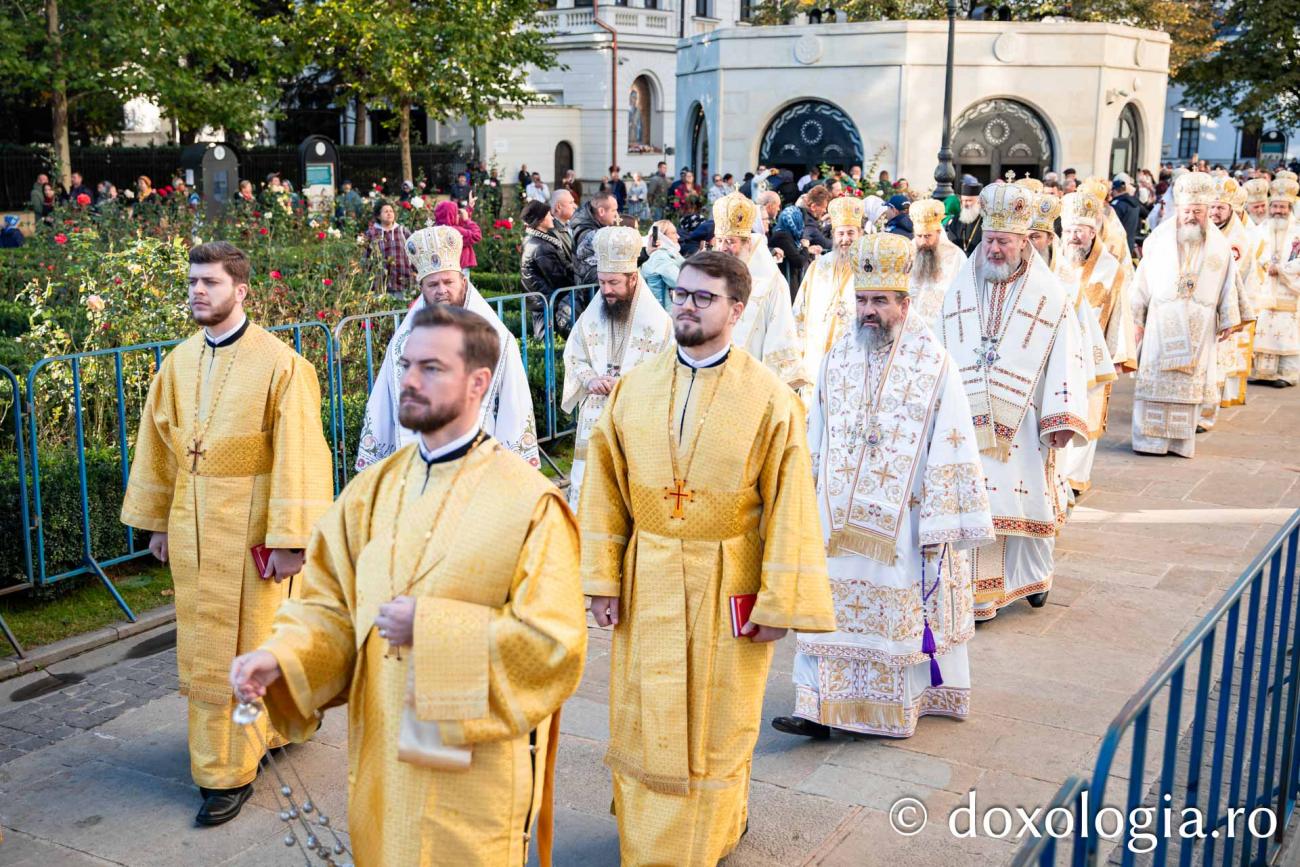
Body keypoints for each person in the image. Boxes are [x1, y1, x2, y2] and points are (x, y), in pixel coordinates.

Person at [230, 303, 586, 866]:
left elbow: (554, 644)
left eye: (432, 368)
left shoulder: (530, 503)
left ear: (479, 383)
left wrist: (433, 627)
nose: (411, 381)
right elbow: (327, 607)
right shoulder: (371, 492)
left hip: (476, 764)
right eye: (406, 365)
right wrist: (281, 658)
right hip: (385, 753)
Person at [578, 250, 837, 866]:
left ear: (738, 310)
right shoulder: (634, 389)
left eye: (704, 297)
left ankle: (714, 832)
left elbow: (791, 503)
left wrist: (780, 602)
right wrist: (600, 580)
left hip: (731, 577)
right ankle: (647, 835)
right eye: (681, 295)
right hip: (649, 573)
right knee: (647, 710)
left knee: (720, 716)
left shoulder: (770, 398)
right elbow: (605, 489)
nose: (687, 306)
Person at [120, 242, 333, 826]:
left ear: (240, 291)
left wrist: (292, 539)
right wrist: (158, 521)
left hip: (252, 532)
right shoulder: (178, 363)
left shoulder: (282, 364)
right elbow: (159, 445)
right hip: (191, 526)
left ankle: (227, 772)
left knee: (253, 640)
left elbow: (301, 454)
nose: (196, 291)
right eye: (192, 281)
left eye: (209, 283)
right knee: (205, 643)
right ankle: (238, 749)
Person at [772, 233, 994, 741]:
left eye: (879, 301)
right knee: (826, 607)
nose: (867, 311)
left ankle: (896, 705)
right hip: (836, 520)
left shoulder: (934, 362)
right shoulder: (836, 358)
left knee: (895, 613)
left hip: (904, 521)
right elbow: (817, 429)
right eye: (862, 300)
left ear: (904, 303)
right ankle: (816, 705)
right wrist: (803, 494)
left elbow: (954, 440)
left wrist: (941, 518)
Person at [937, 183, 1089, 620]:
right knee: (977, 503)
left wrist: (1062, 416)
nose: (995, 249)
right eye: (989, 240)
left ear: (1025, 242)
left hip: (1026, 418)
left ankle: (1034, 578)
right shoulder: (963, 283)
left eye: (1004, 241)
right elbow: (941, 338)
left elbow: (1067, 357)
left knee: (1026, 501)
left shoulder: (1051, 295)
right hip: (967, 417)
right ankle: (976, 596)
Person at [355, 226, 540, 469]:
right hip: (417, 458)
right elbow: (385, 400)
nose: (441, 290)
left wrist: (514, 465)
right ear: (422, 288)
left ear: (463, 281)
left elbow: (513, 401)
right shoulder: (403, 342)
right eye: (433, 284)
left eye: (448, 282)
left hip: (475, 457)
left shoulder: (495, 336)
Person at [1130, 172, 1241, 456]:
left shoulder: (1220, 245)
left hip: (1199, 327)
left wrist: (1228, 317)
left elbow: (1230, 282)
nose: (1192, 217)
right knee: (1155, 386)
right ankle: (1148, 441)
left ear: (1206, 213)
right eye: (1187, 211)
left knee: (1188, 390)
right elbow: (1141, 282)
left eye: (1198, 212)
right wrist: (1136, 319)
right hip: (1160, 324)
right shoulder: (1158, 239)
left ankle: (1179, 443)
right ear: (1178, 210)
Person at [562, 225, 673, 509]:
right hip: (595, 418)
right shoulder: (593, 315)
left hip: (634, 420)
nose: (606, 290)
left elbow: (667, 377)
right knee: (587, 489)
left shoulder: (660, 326)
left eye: (613, 283)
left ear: (633, 278)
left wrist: (623, 385)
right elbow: (574, 354)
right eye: (602, 282)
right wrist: (588, 380)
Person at [1052, 191, 1137, 492]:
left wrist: (1119, 353)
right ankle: (1057, 474)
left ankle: (1075, 478)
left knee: (1087, 413)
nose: (1074, 237)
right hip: (1057, 353)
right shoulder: (1054, 263)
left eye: (1080, 231)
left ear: (1093, 232)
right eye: (1070, 230)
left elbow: (1119, 313)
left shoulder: (1111, 269)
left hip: (1093, 355)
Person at [712, 192, 807, 389]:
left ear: (747, 243)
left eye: (730, 241)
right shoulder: (709, 278)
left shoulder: (772, 283)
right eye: (719, 240)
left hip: (752, 382)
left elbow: (780, 334)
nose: (722, 248)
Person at [792, 195, 864, 397]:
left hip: (852, 354)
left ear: (860, 234)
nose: (845, 239)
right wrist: (797, 350)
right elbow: (799, 310)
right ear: (833, 235)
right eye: (841, 233)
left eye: (851, 233)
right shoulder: (818, 266)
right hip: (815, 355)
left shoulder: (869, 268)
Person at [1204, 176, 1260, 414]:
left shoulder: (1237, 239)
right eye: (1212, 207)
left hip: (1224, 304)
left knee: (1219, 357)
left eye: (1220, 208)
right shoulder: (1206, 229)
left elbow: (1232, 274)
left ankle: (1210, 406)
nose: (1215, 212)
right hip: (1202, 302)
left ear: (1231, 210)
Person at [1249, 172, 1300, 386]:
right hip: (1264, 287)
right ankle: (1262, 373)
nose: (1278, 211)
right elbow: (1252, 252)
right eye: (1275, 206)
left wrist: (1281, 269)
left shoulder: (1298, 232)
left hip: (1288, 289)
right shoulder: (1260, 230)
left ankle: (1285, 375)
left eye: (1283, 207)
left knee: (1286, 330)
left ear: (1290, 208)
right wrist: (1264, 264)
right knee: (1262, 327)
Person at [907, 198, 967, 328]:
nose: (923, 242)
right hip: (908, 327)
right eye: (919, 236)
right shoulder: (907, 252)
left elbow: (965, 295)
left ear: (939, 232)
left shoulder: (956, 256)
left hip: (942, 328)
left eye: (928, 236)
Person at [520, 200, 576, 337]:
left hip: (543, 301)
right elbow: (559, 278)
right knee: (548, 343)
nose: (552, 217)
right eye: (548, 215)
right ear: (539, 220)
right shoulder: (541, 247)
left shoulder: (538, 240)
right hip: (546, 302)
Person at [362, 200, 415, 297]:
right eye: (385, 211)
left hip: (403, 283)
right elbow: (365, 258)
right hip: (380, 285)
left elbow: (414, 253)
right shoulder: (371, 233)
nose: (389, 213)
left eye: (391, 211)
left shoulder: (403, 231)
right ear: (378, 216)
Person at [572, 191, 621, 286]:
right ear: (601, 211)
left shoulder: (595, 225)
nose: (616, 214)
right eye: (614, 210)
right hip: (592, 292)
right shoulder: (586, 233)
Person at [640, 219, 683, 303]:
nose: (678, 236)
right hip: (662, 309)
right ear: (662, 236)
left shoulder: (668, 252)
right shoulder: (660, 255)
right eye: (673, 233)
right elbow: (679, 281)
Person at [433, 200, 482, 271]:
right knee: (464, 282)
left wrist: (469, 209)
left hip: (450, 267)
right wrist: (467, 220)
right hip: (461, 268)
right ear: (451, 216)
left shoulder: (440, 229)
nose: (458, 215)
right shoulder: (455, 231)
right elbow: (476, 235)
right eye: (456, 213)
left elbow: (459, 224)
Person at [946, 181, 983, 254]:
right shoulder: (956, 220)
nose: (965, 204)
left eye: (969, 200)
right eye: (963, 201)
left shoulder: (987, 222)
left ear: (979, 201)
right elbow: (951, 241)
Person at [1109, 177, 1142, 259]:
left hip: (1118, 243)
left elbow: (1111, 225)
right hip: (1130, 241)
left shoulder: (1117, 205)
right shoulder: (1135, 202)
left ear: (1115, 190)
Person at [549, 188, 578, 259]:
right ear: (559, 207)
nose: (575, 206)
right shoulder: (551, 232)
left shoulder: (572, 225)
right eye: (571, 203)